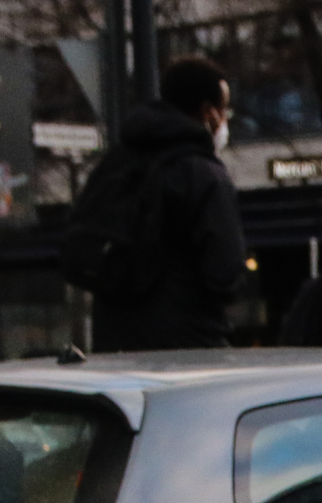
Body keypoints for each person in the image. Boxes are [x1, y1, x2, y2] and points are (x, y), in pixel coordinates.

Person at [88, 57, 247, 352]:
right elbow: (225, 274)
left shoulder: (117, 163)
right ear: (207, 113)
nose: (225, 120)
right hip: (187, 346)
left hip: (112, 344)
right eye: (224, 110)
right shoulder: (203, 173)